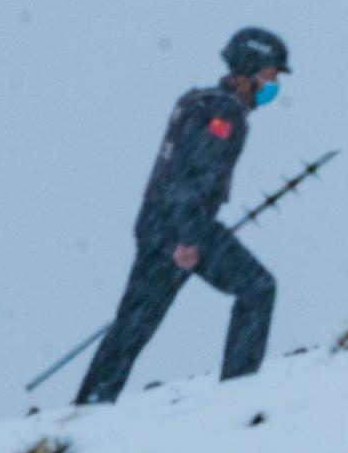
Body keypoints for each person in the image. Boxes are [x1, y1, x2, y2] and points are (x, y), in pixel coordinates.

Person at [75, 26, 289, 406]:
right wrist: (188, 238)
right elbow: (192, 177)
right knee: (258, 288)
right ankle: (238, 391)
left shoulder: (197, 102)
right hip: (182, 224)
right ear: (248, 72)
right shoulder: (223, 112)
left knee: (136, 320)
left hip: (158, 221)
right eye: (270, 76)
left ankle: (92, 402)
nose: (273, 87)